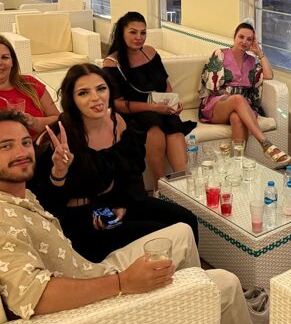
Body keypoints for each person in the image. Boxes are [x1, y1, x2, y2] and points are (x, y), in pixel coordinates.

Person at [0, 109, 268, 324]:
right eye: (6, 146)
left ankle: (198, 316)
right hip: (90, 306)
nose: (21, 152)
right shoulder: (3, 217)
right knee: (225, 282)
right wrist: (123, 282)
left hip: (88, 271)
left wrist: (60, 173)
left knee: (181, 232)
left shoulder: (20, 195)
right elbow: (35, 295)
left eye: (25, 142)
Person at [30, 63, 199, 262]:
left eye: (101, 89)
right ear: (72, 99)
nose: (95, 98)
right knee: (164, 235)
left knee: (186, 219)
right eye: (83, 93)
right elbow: (43, 201)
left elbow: (131, 171)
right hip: (79, 216)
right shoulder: (58, 135)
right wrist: (59, 173)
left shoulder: (117, 121)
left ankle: (190, 276)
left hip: (116, 202)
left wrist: (122, 203)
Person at [103, 12, 192, 187]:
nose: (139, 37)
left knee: (173, 123)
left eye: (143, 33)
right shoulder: (112, 63)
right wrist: (152, 108)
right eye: (133, 32)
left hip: (160, 109)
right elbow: (118, 104)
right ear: (122, 33)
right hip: (134, 114)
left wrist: (173, 102)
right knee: (153, 122)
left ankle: (182, 184)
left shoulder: (150, 52)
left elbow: (165, 83)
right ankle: (161, 186)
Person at [199, 19, 291, 165]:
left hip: (242, 107)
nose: (244, 42)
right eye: (241, 37)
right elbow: (212, 86)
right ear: (234, 37)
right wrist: (232, 98)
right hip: (217, 105)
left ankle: (238, 163)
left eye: (249, 39)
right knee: (237, 99)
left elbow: (268, 75)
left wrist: (259, 53)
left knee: (237, 117)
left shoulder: (252, 61)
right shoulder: (220, 54)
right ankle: (265, 144)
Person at [0, 34, 59, 138]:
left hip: (42, 146)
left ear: (13, 62)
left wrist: (35, 122)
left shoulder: (30, 83)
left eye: (5, 57)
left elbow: (58, 118)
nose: (0, 63)